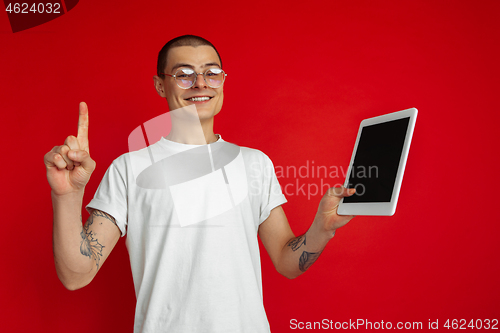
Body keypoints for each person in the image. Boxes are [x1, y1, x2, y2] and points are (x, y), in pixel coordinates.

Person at [44, 35, 356, 332]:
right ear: (160, 85)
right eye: (184, 74)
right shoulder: (129, 169)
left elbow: (288, 263)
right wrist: (67, 196)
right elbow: (76, 275)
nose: (201, 84)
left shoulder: (254, 163)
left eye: (212, 72)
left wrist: (321, 229)